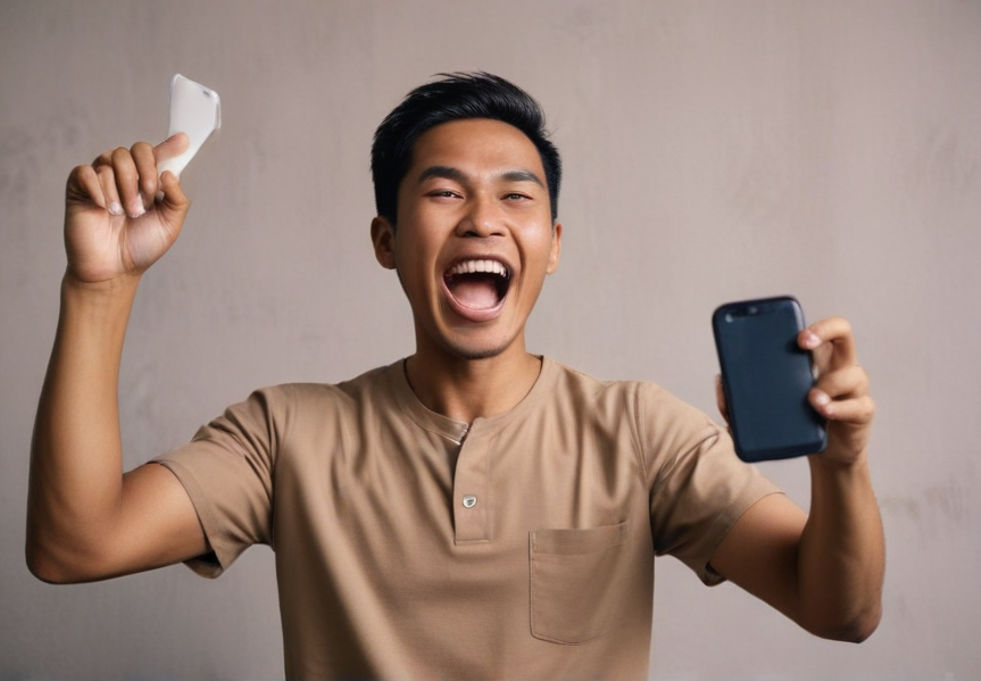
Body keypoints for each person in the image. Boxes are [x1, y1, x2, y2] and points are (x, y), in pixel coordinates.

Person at [27, 72, 884, 680]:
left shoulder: (639, 431)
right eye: (443, 193)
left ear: (553, 243)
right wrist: (99, 288)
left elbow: (838, 610)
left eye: (517, 197)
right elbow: (74, 544)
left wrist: (837, 463)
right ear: (386, 242)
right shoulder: (285, 434)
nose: (483, 217)